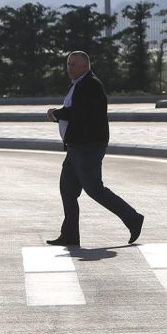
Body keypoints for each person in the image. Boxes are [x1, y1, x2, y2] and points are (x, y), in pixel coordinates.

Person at [46, 50, 145, 247]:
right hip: (76, 147)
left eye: (73, 64)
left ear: (85, 66)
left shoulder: (91, 85)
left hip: (87, 147)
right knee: (67, 189)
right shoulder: (79, 84)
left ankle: (133, 218)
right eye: (68, 64)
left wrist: (57, 114)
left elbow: (80, 113)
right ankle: (70, 234)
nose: (69, 68)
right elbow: (76, 111)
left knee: (94, 189)